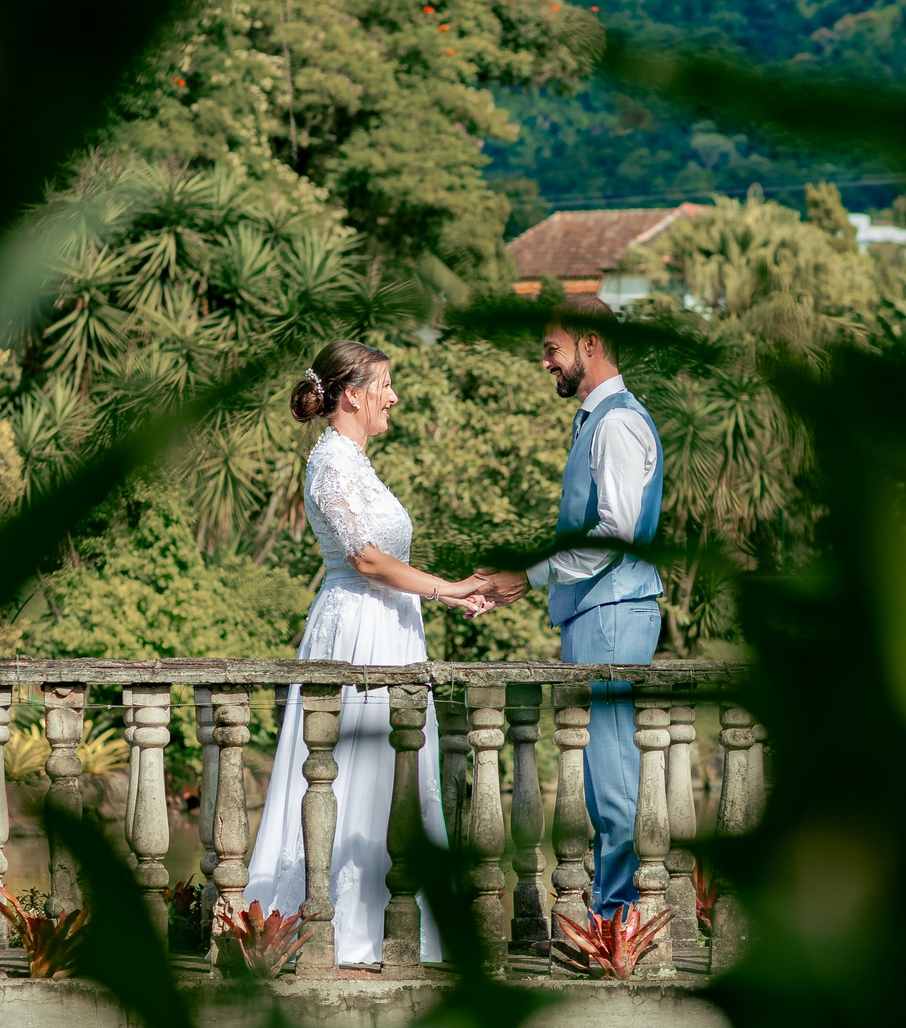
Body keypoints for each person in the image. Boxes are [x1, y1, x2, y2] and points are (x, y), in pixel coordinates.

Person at [245, 340, 500, 966]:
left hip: (390, 626)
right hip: (356, 631)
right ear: (352, 394)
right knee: (352, 767)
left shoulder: (357, 464)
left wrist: (444, 595)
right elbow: (365, 558)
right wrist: (447, 588)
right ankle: (340, 923)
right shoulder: (332, 462)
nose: (394, 397)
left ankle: (395, 917)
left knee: (396, 772)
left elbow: (385, 559)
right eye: (384, 384)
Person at [478, 299, 665, 918]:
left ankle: (621, 919)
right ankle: (620, 912)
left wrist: (527, 577)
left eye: (551, 350)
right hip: (599, 614)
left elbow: (613, 534)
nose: (545, 363)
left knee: (610, 773)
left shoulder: (614, 423)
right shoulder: (601, 419)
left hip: (612, 614)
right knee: (598, 769)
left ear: (590, 344)